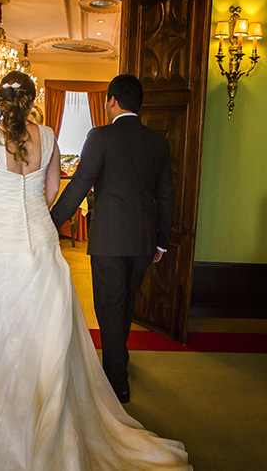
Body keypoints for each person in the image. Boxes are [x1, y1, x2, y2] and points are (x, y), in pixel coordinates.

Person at [0, 71, 191, 470]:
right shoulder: (49, 136)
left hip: (0, 238)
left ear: (0, 99)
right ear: (32, 100)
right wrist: (36, 212)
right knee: (46, 320)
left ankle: (2, 394)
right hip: (47, 238)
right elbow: (52, 190)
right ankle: (63, 391)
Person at [51, 74, 174, 404]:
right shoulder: (158, 143)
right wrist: (162, 242)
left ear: (112, 101)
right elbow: (166, 196)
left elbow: (79, 185)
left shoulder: (100, 136)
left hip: (109, 240)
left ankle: (117, 381)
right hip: (144, 240)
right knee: (126, 303)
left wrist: (50, 223)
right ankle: (120, 360)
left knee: (109, 308)